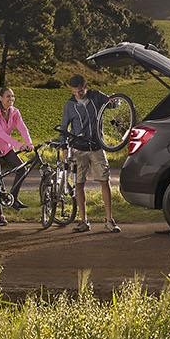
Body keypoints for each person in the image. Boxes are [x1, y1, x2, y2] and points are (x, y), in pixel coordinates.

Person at [61, 74, 120, 233]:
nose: (78, 94)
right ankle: (83, 221)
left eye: (80, 91)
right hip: (78, 149)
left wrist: (116, 101)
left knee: (104, 181)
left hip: (96, 147)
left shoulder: (96, 96)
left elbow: (112, 104)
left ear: (85, 87)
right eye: (74, 91)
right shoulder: (69, 105)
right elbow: (64, 127)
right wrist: (63, 146)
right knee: (79, 184)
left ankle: (109, 220)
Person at [0, 87, 33, 226]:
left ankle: (13, 198)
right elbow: (0, 133)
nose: (11, 99)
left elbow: (22, 128)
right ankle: (0, 216)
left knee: (22, 169)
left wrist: (29, 143)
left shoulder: (15, 112)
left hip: (6, 149)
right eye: (8, 96)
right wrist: (18, 145)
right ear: (0, 98)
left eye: (12, 96)